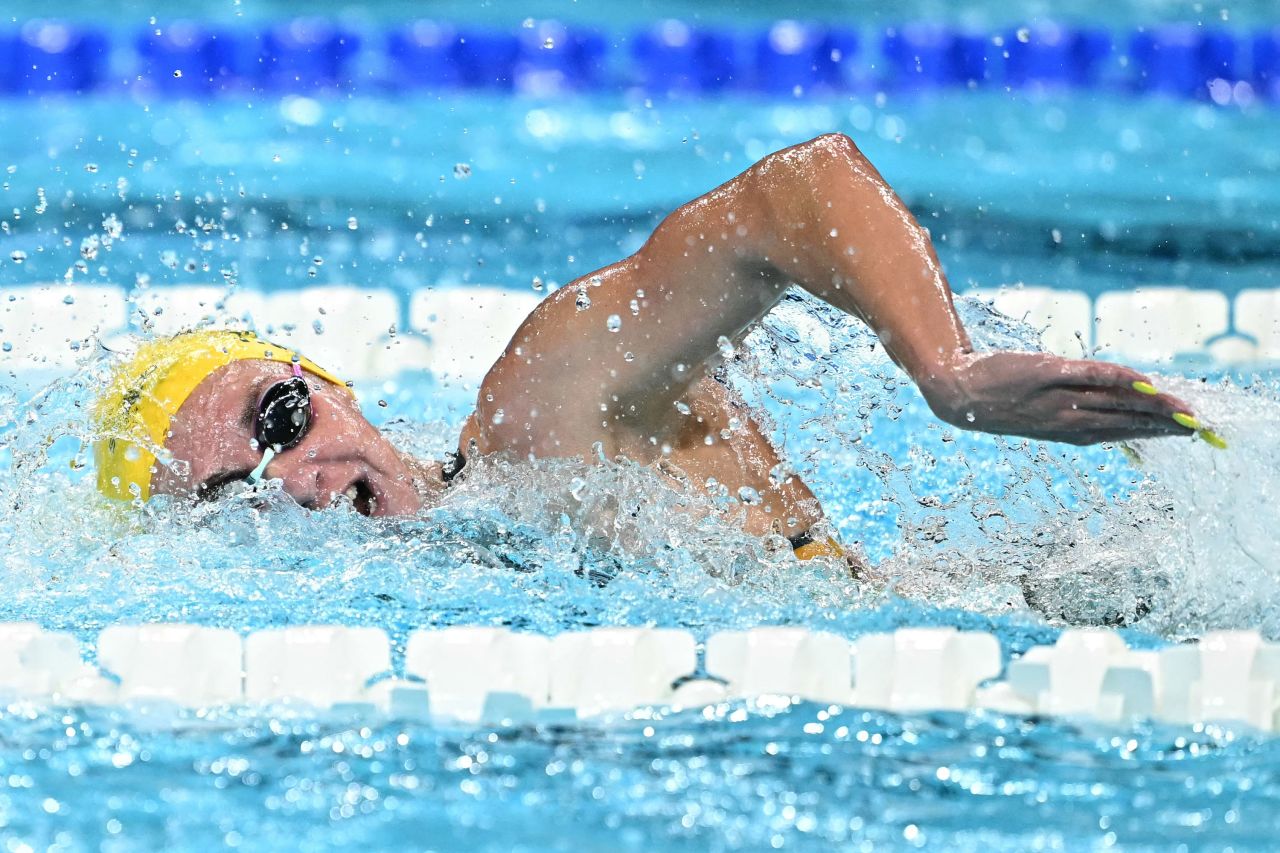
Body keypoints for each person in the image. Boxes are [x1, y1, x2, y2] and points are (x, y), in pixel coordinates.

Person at [92, 133, 1201, 563]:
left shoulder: (537, 417)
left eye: (277, 422)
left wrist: (943, 370)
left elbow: (790, 193)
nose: (293, 480)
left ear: (326, 386)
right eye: (235, 497)